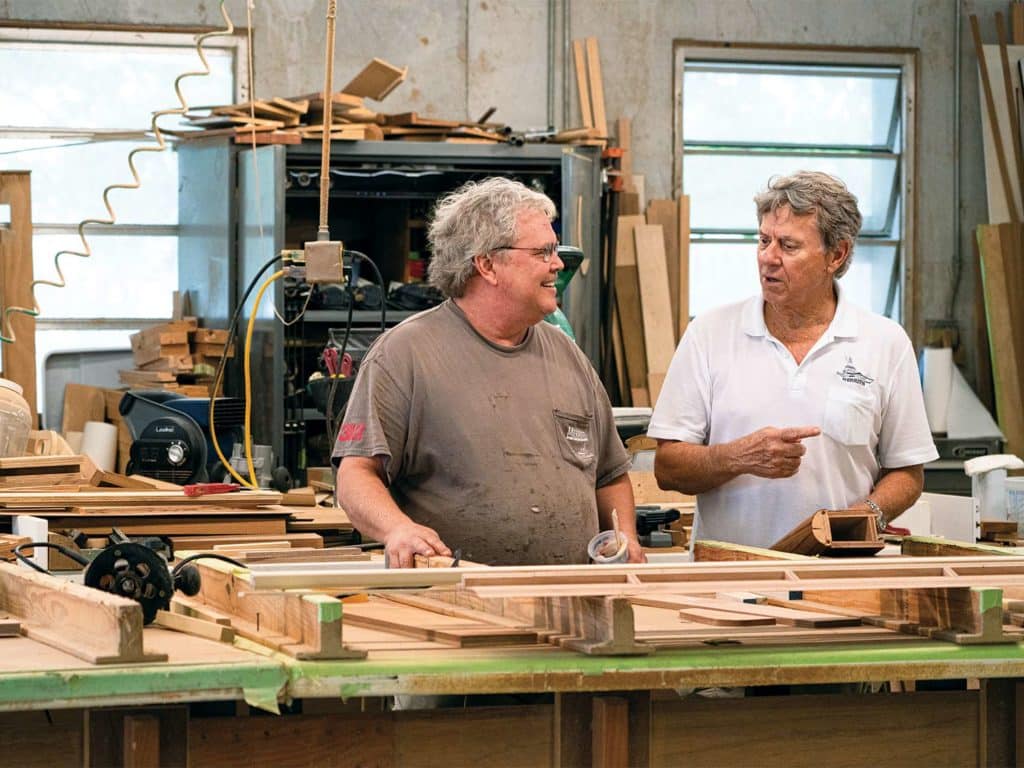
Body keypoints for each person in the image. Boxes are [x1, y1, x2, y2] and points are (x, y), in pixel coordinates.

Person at [333, 177, 643, 567]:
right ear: (487, 264)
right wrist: (397, 528)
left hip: (572, 605)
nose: (558, 264)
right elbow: (355, 475)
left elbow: (609, 475)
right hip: (461, 609)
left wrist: (625, 536)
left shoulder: (567, 354)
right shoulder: (405, 356)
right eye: (543, 252)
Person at [648, 171, 938, 549]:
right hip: (730, 582)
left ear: (837, 255)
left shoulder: (884, 343)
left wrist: (864, 515)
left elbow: (907, 472)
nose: (768, 258)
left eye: (788, 245)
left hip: (839, 579)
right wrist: (739, 457)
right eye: (764, 240)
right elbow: (668, 468)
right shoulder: (710, 333)